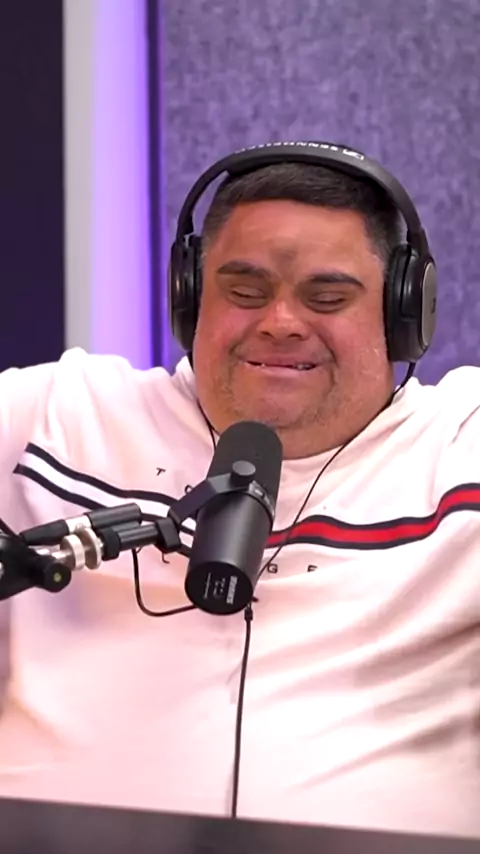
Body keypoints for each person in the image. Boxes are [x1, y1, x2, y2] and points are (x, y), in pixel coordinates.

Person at [0, 140, 478, 840]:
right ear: (190, 298)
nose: (280, 322)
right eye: (245, 291)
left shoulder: (460, 447)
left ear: (403, 314)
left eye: (327, 297)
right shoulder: (52, 419)